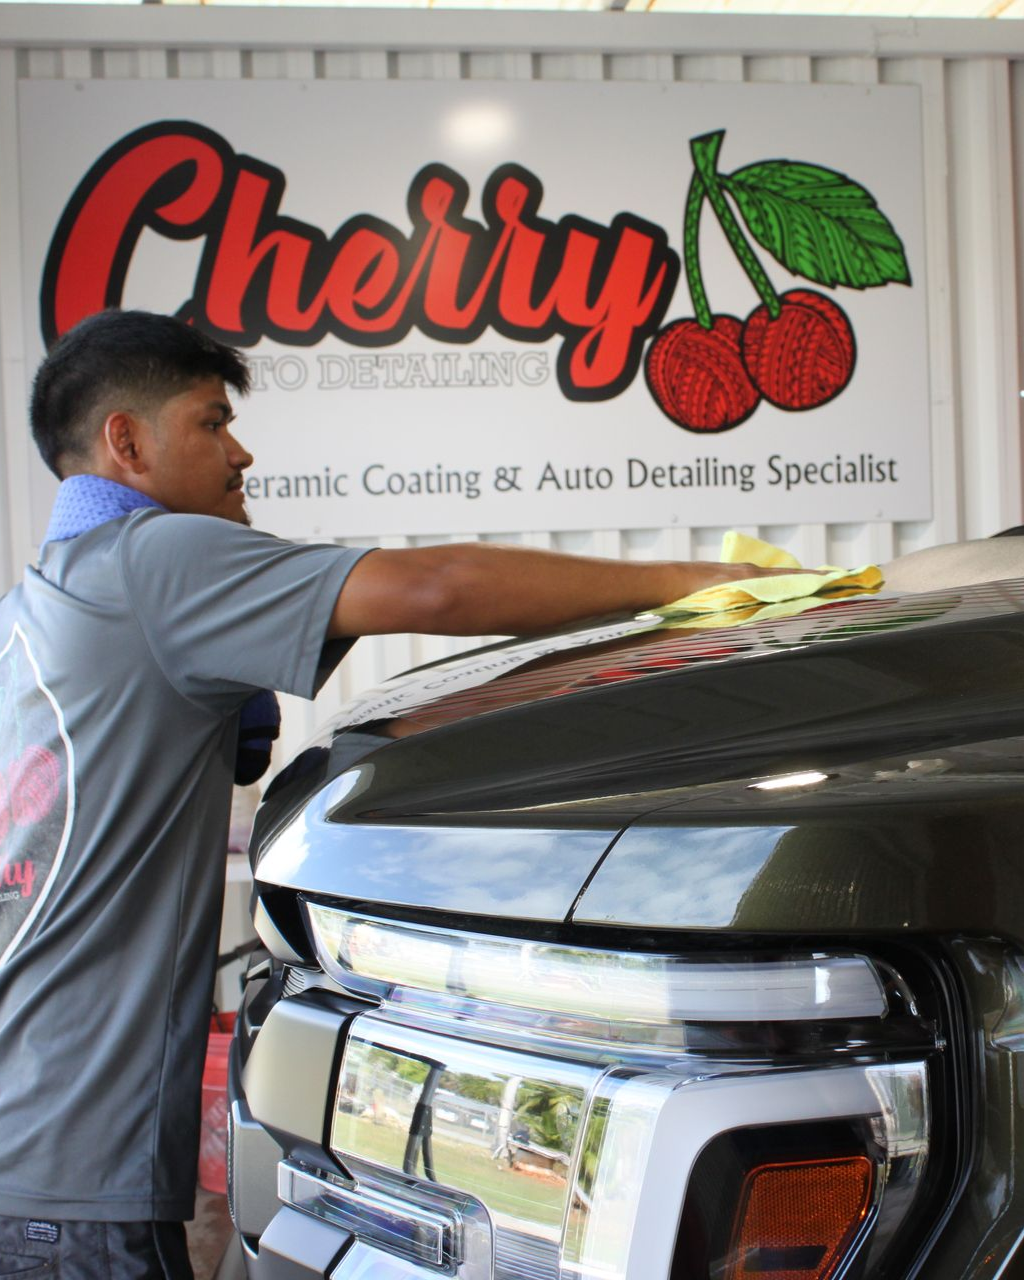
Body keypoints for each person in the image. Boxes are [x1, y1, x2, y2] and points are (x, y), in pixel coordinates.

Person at [0, 309, 781, 1279]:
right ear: (127, 442)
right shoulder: (150, 564)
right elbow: (436, 588)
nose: (241, 452)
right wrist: (699, 581)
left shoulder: (42, 604)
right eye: (210, 422)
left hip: (27, 1148)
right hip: (78, 1185)